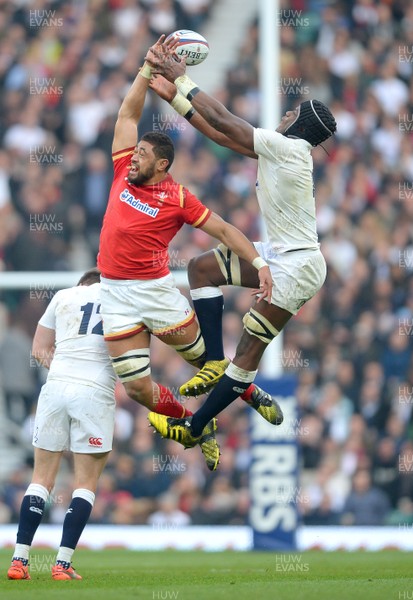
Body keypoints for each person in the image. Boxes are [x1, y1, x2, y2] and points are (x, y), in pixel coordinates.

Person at [146, 37, 337, 467]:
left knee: (247, 354)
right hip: (284, 253)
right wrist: (175, 100)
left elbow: (226, 120)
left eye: (292, 113)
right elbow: (221, 135)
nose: (285, 114)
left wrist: (183, 79)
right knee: (200, 269)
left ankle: (194, 429)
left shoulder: (289, 147)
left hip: (300, 263)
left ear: (301, 125)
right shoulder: (283, 148)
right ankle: (213, 362)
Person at [96, 36, 278, 471]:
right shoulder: (123, 169)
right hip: (114, 294)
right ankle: (198, 425)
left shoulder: (176, 196)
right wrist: (145, 69)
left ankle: (249, 391)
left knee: (207, 361)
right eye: (135, 151)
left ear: (162, 165)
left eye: (142, 154)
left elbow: (223, 228)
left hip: (155, 291)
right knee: (139, 391)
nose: (133, 157)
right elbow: (127, 114)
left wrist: (258, 262)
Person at [7, 269, 115, 581]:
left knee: (40, 479)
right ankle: (62, 564)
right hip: (95, 391)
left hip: (55, 388)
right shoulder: (120, 298)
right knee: (85, 483)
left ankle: (19, 560)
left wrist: (66, 368)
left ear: (82, 282)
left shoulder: (63, 296)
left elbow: (39, 349)